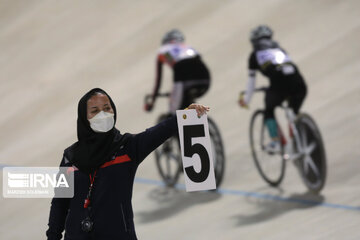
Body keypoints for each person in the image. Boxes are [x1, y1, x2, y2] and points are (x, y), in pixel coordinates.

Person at [46, 88, 209, 240]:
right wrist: (53, 236)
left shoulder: (127, 148)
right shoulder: (70, 157)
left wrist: (184, 116)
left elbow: (156, 133)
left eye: (107, 108)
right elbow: (60, 201)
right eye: (95, 111)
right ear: (84, 118)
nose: (103, 114)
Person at [239, 25, 307, 152]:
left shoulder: (254, 56)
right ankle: (298, 131)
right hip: (299, 83)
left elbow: (251, 82)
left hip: (279, 85)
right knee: (293, 111)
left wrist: (246, 100)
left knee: (268, 110)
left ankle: (275, 142)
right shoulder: (280, 49)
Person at [145, 29, 211, 113]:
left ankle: (175, 121)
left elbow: (159, 80)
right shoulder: (188, 47)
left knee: (174, 111)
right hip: (204, 77)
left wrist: (152, 102)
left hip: (182, 73)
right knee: (189, 105)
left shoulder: (163, 50)